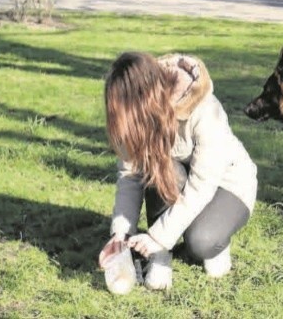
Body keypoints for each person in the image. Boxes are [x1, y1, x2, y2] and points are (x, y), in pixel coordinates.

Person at [98, 52, 258, 291]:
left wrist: (158, 236)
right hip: (181, 179)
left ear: (145, 102)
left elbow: (201, 184)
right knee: (162, 168)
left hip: (229, 183)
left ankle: (215, 243)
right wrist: (121, 234)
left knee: (200, 241)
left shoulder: (205, 110)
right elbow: (130, 176)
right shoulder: (131, 117)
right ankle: (161, 255)